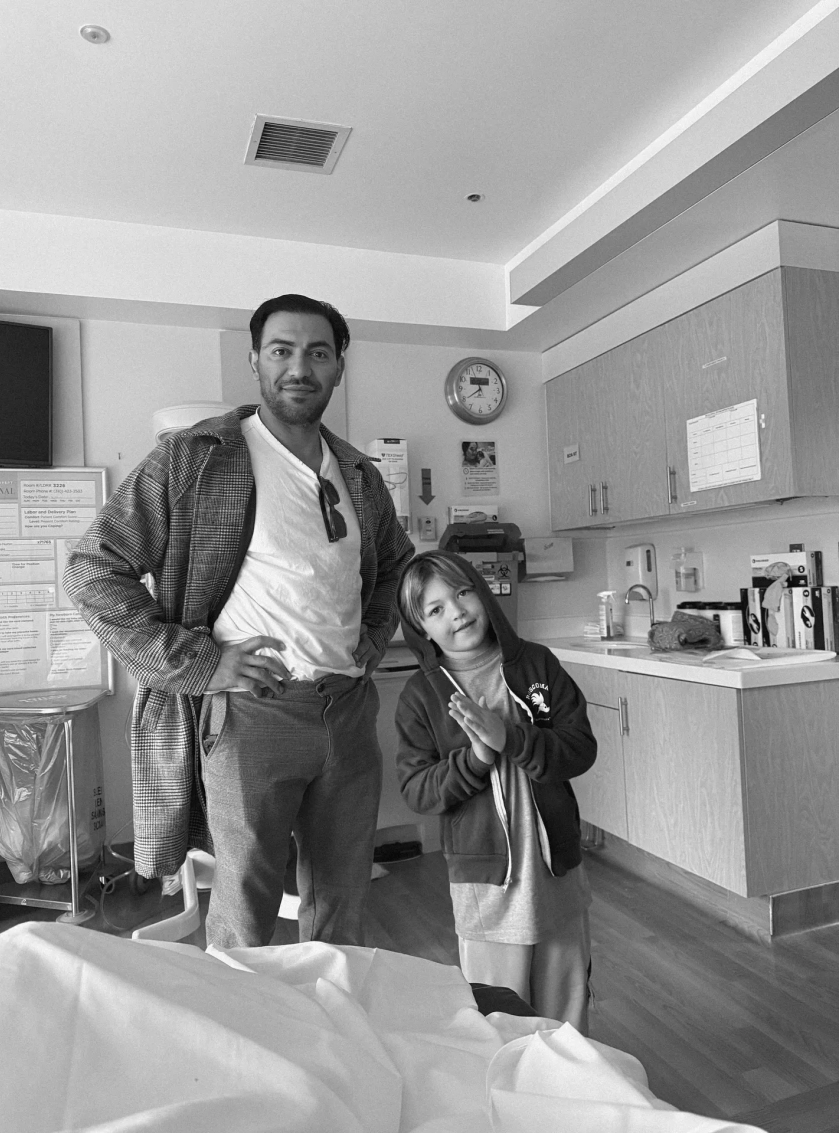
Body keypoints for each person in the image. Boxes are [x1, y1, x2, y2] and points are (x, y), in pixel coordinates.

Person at [64, 293, 414, 950]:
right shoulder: (196, 458)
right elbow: (93, 569)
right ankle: (238, 1015)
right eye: (282, 350)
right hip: (253, 714)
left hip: (348, 711)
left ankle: (327, 1012)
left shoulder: (359, 474)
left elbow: (395, 562)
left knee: (342, 902)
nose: (299, 368)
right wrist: (202, 663)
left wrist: (372, 638)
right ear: (255, 360)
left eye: (318, 352)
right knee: (245, 908)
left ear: (339, 366)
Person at [395, 549, 597, 1031]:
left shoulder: (537, 665)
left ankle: (570, 1076)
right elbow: (419, 790)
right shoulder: (420, 697)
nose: (457, 612)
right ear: (422, 629)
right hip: (484, 888)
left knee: (567, 1017)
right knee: (500, 1019)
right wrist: (476, 758)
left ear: (482, 593)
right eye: (436, 609)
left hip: (557, 875)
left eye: (463, 593)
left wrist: (511, 738)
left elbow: (579, 748)